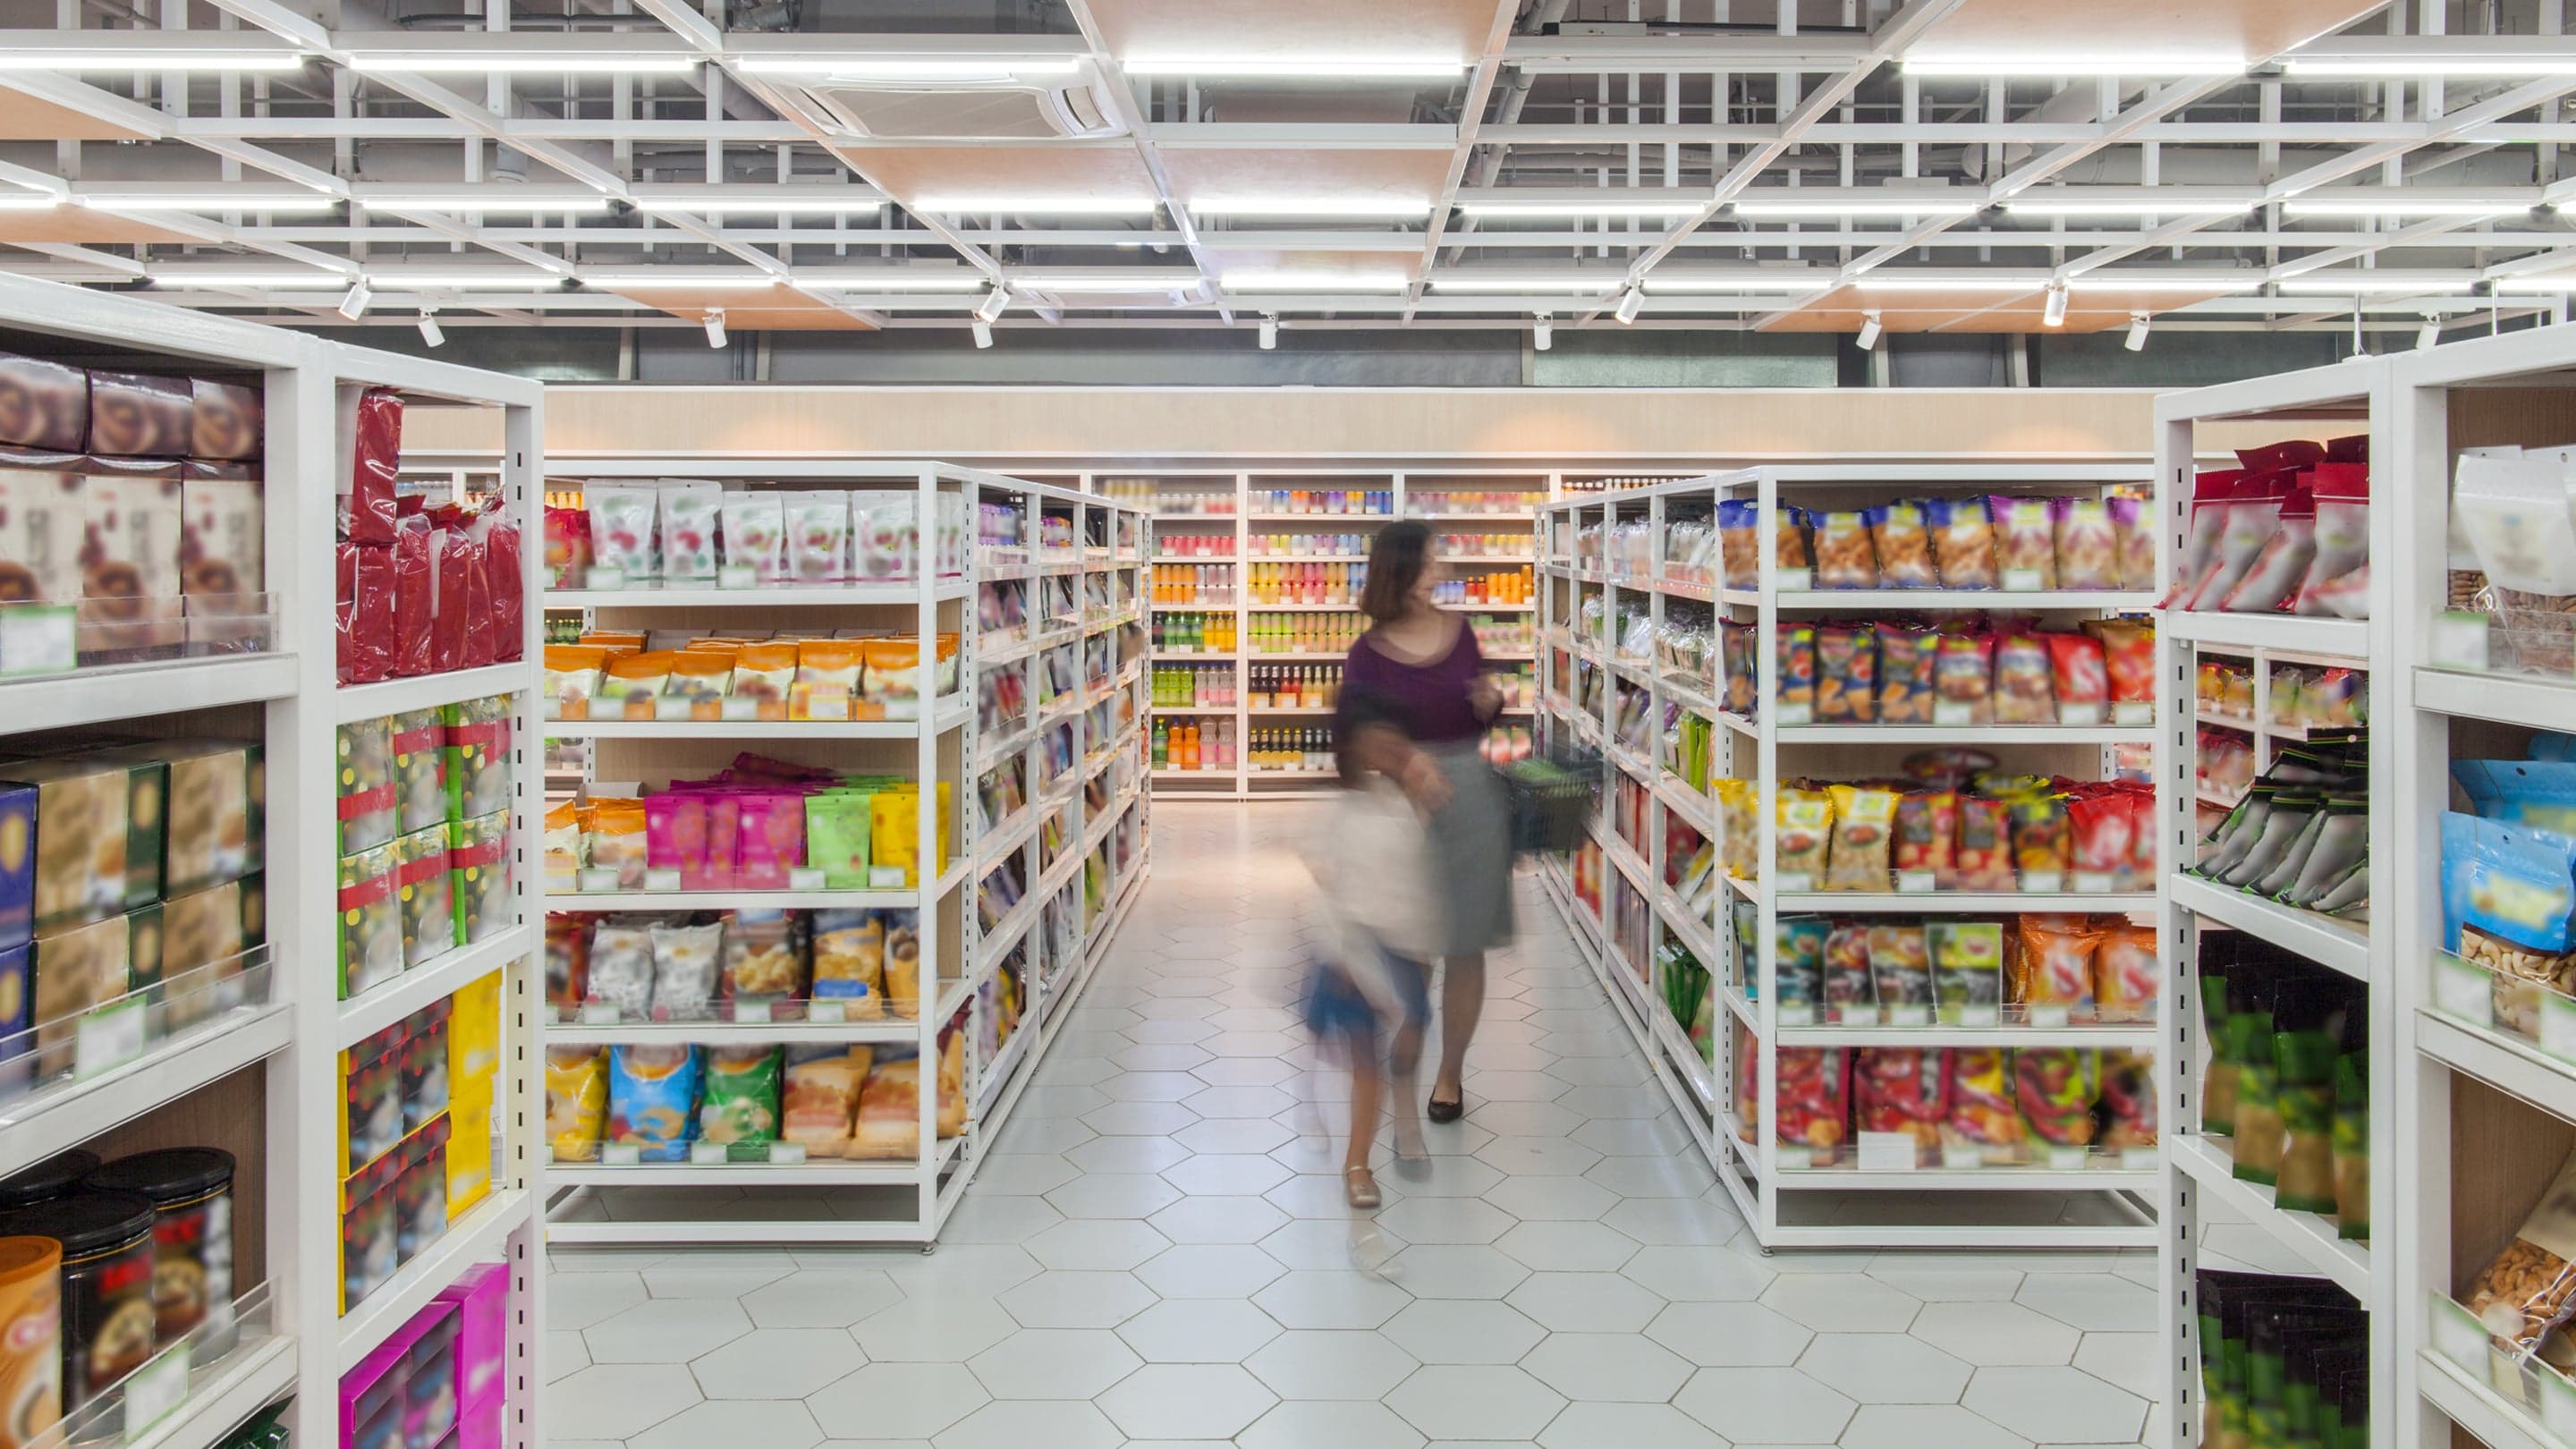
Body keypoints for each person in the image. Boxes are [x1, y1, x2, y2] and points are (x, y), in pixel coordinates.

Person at [1336, 520, 1513, 1125]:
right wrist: (1406, 763)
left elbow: (1476, 705)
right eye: (1432, 561)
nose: (1442, 571)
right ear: (1404, 574)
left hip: (1468, 799)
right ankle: (1408, 1051)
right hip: (1400, 808)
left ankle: (1451, 1074)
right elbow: (1355, 738)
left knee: (1465, 943)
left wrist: (1490, 704)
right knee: (1410, 944)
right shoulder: (1367, 654)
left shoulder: (1461, 633)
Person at [1300, 691, 1437, 1208]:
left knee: (1403, 1043)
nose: (1387, 747)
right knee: (1365, 1062)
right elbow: (1331, 891)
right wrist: (1340, 958)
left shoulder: (1409, 802)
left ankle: (1400, 1115)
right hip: (1352, 954)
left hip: (1405, 949)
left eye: (1394, 738)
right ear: (1351, 748)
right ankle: (1358, 1162)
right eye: (1375, 739)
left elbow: (1422, 879)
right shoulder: (1340, 812)